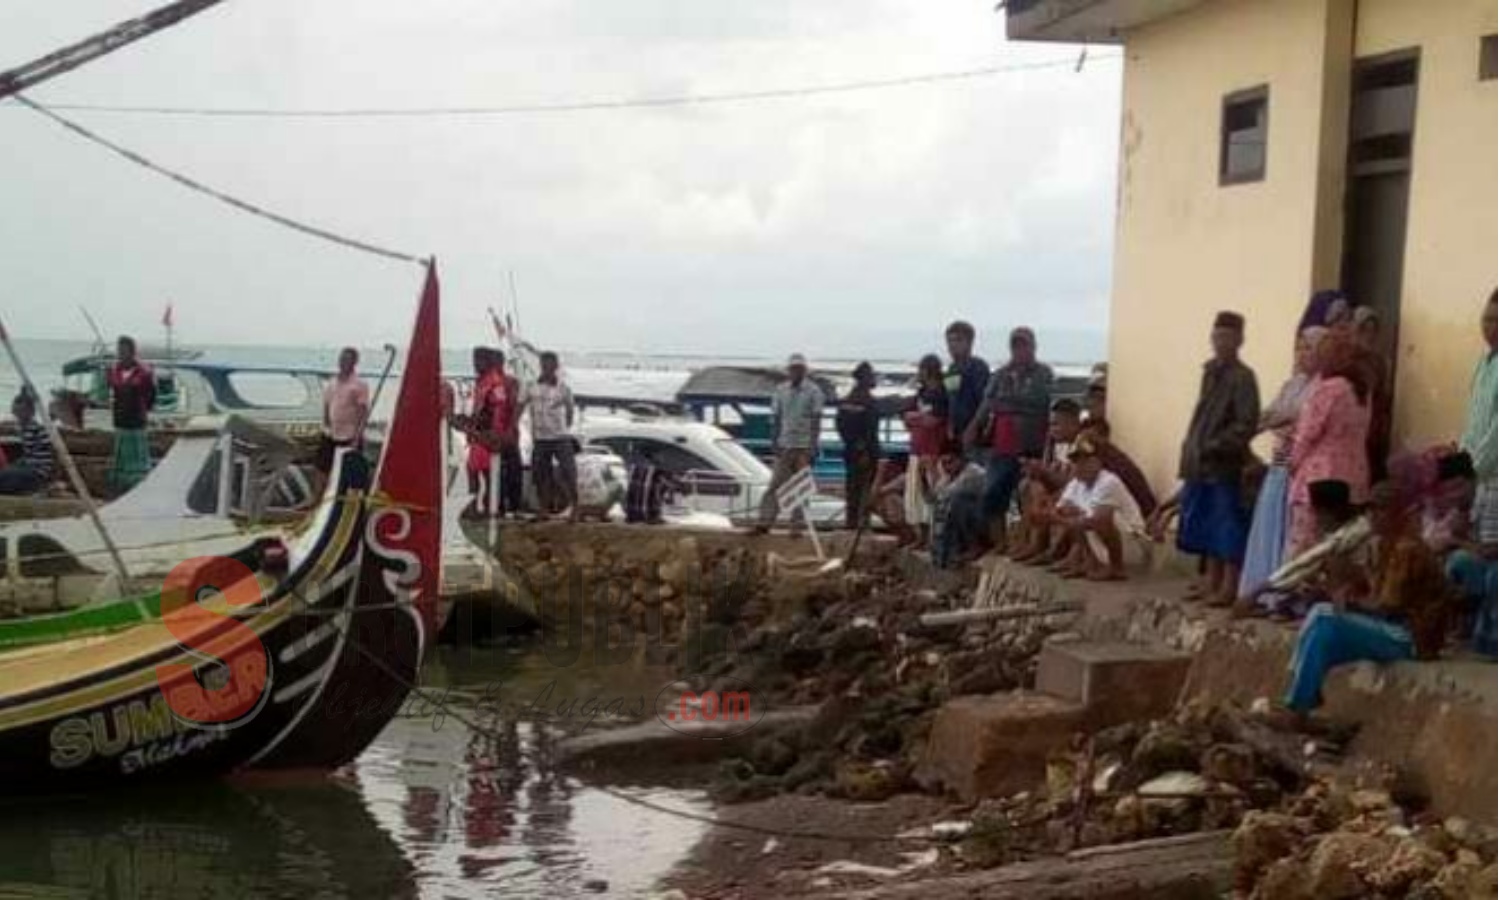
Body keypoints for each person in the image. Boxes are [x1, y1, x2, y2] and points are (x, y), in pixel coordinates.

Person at [1277, 477, 1456, 716]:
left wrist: (1349, 603)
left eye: (1382, 509)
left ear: (1401, 513)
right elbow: (1372, 591)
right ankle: (1301, 698)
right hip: (1394, 627)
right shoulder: (1382, 545)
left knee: (1325, 620)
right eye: (1371, 509)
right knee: (1321, 620)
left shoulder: (1406, 548)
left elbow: (1386, 606)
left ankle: (1299, 705)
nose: (1374, 515)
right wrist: (1350, 591)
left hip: (1411, 637)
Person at [1236, 326, 1328, 609]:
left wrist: (1278, 421)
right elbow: (1273, 414)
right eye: (1299, 348)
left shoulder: (1324, 387)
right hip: (1280, 465)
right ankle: (1264, 593)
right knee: (1270, 527)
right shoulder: (1293, 385)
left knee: (1293, 533)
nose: (1302, 354)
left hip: (1300, 468)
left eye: (1309, 348)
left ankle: (1286, 597)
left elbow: (1297, 421)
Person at [1176, 312, 1261, 607]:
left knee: (1227, 526)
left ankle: (1229, 584)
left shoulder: (1243, 377)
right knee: (1205, 525)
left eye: (1226, 336)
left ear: (1239, 339)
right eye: (1216, 336)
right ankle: (1210, 580)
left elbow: (1246, 422)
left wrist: (1216, 445)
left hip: (1225, 463)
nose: (1219, 342)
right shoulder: (1210, 372)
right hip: (1201, 462)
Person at [1287, 331, 1372, 560]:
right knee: (1341, 547)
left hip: (1320, 478)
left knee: (1306, 550)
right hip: (1354, 477)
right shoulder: (1361, 390)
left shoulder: (1329, 388)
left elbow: (1307, 433)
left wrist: (1291, 464)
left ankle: (1297, 594)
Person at [965, 327, 1053, 547]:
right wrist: (973, 426)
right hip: (1003, 445)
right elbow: (988, 403)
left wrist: (1007, 404)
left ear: (1033, 346)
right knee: (993, 493)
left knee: (1029, 495)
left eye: (1024, 345)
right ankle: (1000, 543)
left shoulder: (1043, 373)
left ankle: (1029, 544)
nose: (1020, 350)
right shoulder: (1001, 374)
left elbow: (1039, 402)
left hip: (1032, 445)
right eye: (1016, 345)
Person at [1051, 436, 1147, 581]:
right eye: (1076, 462)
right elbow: (1060, 510)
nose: (1079, 466)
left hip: (1130, 547)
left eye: (1085, 461)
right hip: (1099, 546)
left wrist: (1056, 518)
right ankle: (1089, 562)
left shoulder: (1109, 481)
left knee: (1099, 518)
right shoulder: (1077, 483)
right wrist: (1056, 515)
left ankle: (1116, 567)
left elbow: (1095, 519)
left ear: (1098, 462)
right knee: (1072, 513)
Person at [755, 353, 824, 532]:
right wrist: (774, 441)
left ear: (805, 370)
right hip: (785, 443)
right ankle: (764, 521)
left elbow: (816, 420)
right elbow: (776, 418)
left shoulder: (814, 391)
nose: (796, 372)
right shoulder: (780, 390)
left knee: (801, 487)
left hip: (803, 445)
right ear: (789, 371)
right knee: (775, 484)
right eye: (793, 369)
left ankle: (796, 525)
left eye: (799, 369)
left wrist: (813, 445)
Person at [1012, 398, 1085, 564]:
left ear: (1074, 423)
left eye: (1056, 424)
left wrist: (1044, 472)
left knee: (1051, 497)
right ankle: (1034, 543)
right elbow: (1050, 472)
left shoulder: (1082, 443)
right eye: (1051, 424)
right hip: (1064, 488)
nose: (1052, 429)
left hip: (1080, 491)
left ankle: (1051, 550)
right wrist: (1037, 471)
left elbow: (1074, 483)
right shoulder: (1057, 442)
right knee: (1028, 486)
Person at [1458, 290, 1498, 587]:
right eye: (1485, 319)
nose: (1489, 327)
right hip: (1477, 475)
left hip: (1493, 475)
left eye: (1496, 320)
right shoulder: (1484, 362)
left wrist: (1472, 468)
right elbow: (1473, 418)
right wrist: (1461, 459)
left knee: (1490, 554)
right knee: (1476, 548)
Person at [521, 351, 577, 519]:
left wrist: (564, 428)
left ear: (556, 367)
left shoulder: (563, 387)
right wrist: (513, 425)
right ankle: (543, 509)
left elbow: (570, 411)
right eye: (544, 364)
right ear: (540, 365)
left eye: (550, 365)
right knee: (540, 475)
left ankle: (576, 507)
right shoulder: (531, 385)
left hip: (560, 438)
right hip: (540, 438)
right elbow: (521, 405)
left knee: (568, 472)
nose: (547, 368)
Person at [901, 354, 948, 548]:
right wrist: (919, 417)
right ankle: (920, 536)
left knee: (933, 492)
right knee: (915, 494)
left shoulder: (941, 394)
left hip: (933, 449)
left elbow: (935, 420)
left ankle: (934, 537)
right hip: (917, 447)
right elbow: (906, 416)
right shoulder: (920, 393)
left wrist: (916, 417)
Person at [1077, 418, 1157, 518]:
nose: (1086, 444)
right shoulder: (1106, 456)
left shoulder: (1110, 461)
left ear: (1103, 437)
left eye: (1091, 439)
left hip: (1140, 519)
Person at [106, 336, 156, 494]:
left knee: (137, 459)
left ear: (132, 352)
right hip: (120, 421)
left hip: (136, 422)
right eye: (119, 350)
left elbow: (151, 396)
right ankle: (120, 487)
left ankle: (139, 487)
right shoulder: (115, 370)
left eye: (124, 350)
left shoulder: (144, 372)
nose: (121, 354)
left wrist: (142, 409)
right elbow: (112, 390)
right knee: (121, 458)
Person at [836, 361, 882, 530]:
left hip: (850, 450)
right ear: (864, 379)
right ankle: (862, 524)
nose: (874, 378)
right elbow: (868, 429)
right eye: (871, 375)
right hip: (866, 451)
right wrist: (863, 449)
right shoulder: (866, 401)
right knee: (865, 489)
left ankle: (851, 523)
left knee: (852, 488)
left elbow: (840, 425)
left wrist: (852, 444)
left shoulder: (847, 400)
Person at [928, 445, 987, 568]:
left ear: (961, 459)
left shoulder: (973, 473)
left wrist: (932, 471)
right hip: (964, 520)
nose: (946, 467)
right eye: (943, 463)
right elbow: (934, 497)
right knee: (941, 507)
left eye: (950, 462)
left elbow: (949, 493)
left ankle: (974, 547)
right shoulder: (949, 475)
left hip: (983, 520)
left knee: (957, 502)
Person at [1351, 307, 1393, 482]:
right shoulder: (1347, 361)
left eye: (1372, 330)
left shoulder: (1379, 362)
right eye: (1363, 329)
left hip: (1374, 430)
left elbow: (1382, 394)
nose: (1368, 335)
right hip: (1353, 428)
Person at [317, 346, 370, 478]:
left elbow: (364, 412)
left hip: (349, 435)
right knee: (321, 468)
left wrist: (358, 437)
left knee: (346, 471)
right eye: (341, 359)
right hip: (331, 433)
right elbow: (327, 404)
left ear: (354, 363)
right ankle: (318, 497)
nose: (343, 362)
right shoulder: (332, 382)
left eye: (347, 360)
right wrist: (325, 424)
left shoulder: (360, 384)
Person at [943, 321, 990, 457]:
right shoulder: (952, 369)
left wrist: (974, 428)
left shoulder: (978, 367)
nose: (952, 345)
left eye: (958, 340)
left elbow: (984, 402)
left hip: (975, 431)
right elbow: (952, 398)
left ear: (970, 342)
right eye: (949, 341)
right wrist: (950, 424)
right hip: (956, 432)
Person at [0, 391, 53, 496]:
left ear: (31, 412)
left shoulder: (36, 428)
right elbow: (28, 455)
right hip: (29, 467)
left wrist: (15, 467)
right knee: (5, 474)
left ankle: (34, 489)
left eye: (21, 413)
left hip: (37, 471)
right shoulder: (23, 428)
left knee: (7, 477)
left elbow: (41, 457)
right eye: (16, 413)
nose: (19, 417)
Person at [625, 446, 675, 525]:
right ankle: (653, 514)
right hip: (648, 514)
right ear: (653, 456)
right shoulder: (657, 471)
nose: (662, 458)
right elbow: (671, 485)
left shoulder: (633, 468)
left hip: (631, 515)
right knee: (663, 485)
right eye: (660, 455)